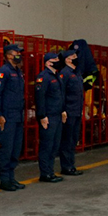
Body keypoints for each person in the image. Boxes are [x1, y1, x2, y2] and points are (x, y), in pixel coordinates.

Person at [0, 43, 25, 191]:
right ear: (9, 55)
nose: (19, 55)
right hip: (7, 117)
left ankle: (11, 178)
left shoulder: (18, 71)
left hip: (18, 116)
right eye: (16, 53)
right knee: (7, 149)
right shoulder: (3, 71)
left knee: (15, 149)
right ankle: (4, 180)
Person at [35, 52, 66, 182]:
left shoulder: (56, 76)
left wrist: (63, 110)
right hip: (48, 116)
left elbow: (60, 96)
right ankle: (45, 173)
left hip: (57, 116)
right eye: (55, 59)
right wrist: (42, 116)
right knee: (47, 146)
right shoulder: (43, 77)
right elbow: (40, 97)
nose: (58, 61)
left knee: (54, 146)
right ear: (48, 62)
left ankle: (50, 171)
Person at [59, 50, 84, 176]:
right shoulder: (65, 73)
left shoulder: (76, 73)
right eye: (73, 56)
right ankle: (66, 166)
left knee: (73, 139)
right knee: (67, 140)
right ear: (67, 59)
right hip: (69, 111)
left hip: (77, 111)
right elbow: (61, 93)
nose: (76, 57)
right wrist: (63, 110)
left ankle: (71, 164)